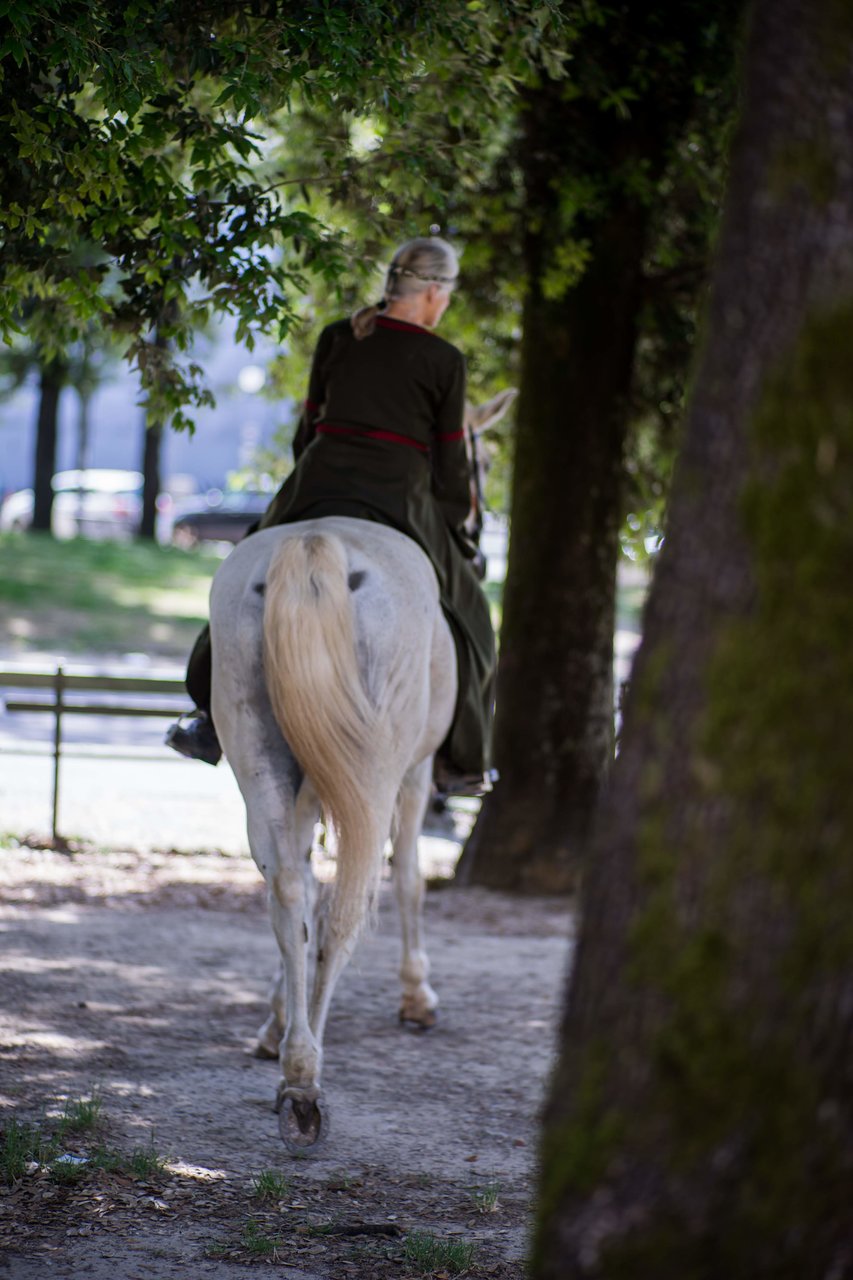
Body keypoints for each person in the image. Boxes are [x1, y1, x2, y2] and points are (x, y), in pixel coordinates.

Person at [166, 236, 496, 796]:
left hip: (316, 482)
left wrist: (308, 486)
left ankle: (205, 716)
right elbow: (450, 461)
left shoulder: (338, 337)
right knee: (473, 619)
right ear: (436, 292)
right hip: (401, 494)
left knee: (243, 571)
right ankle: (463, 760)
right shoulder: (444, 360)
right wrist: (451, 529)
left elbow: (307, 429)